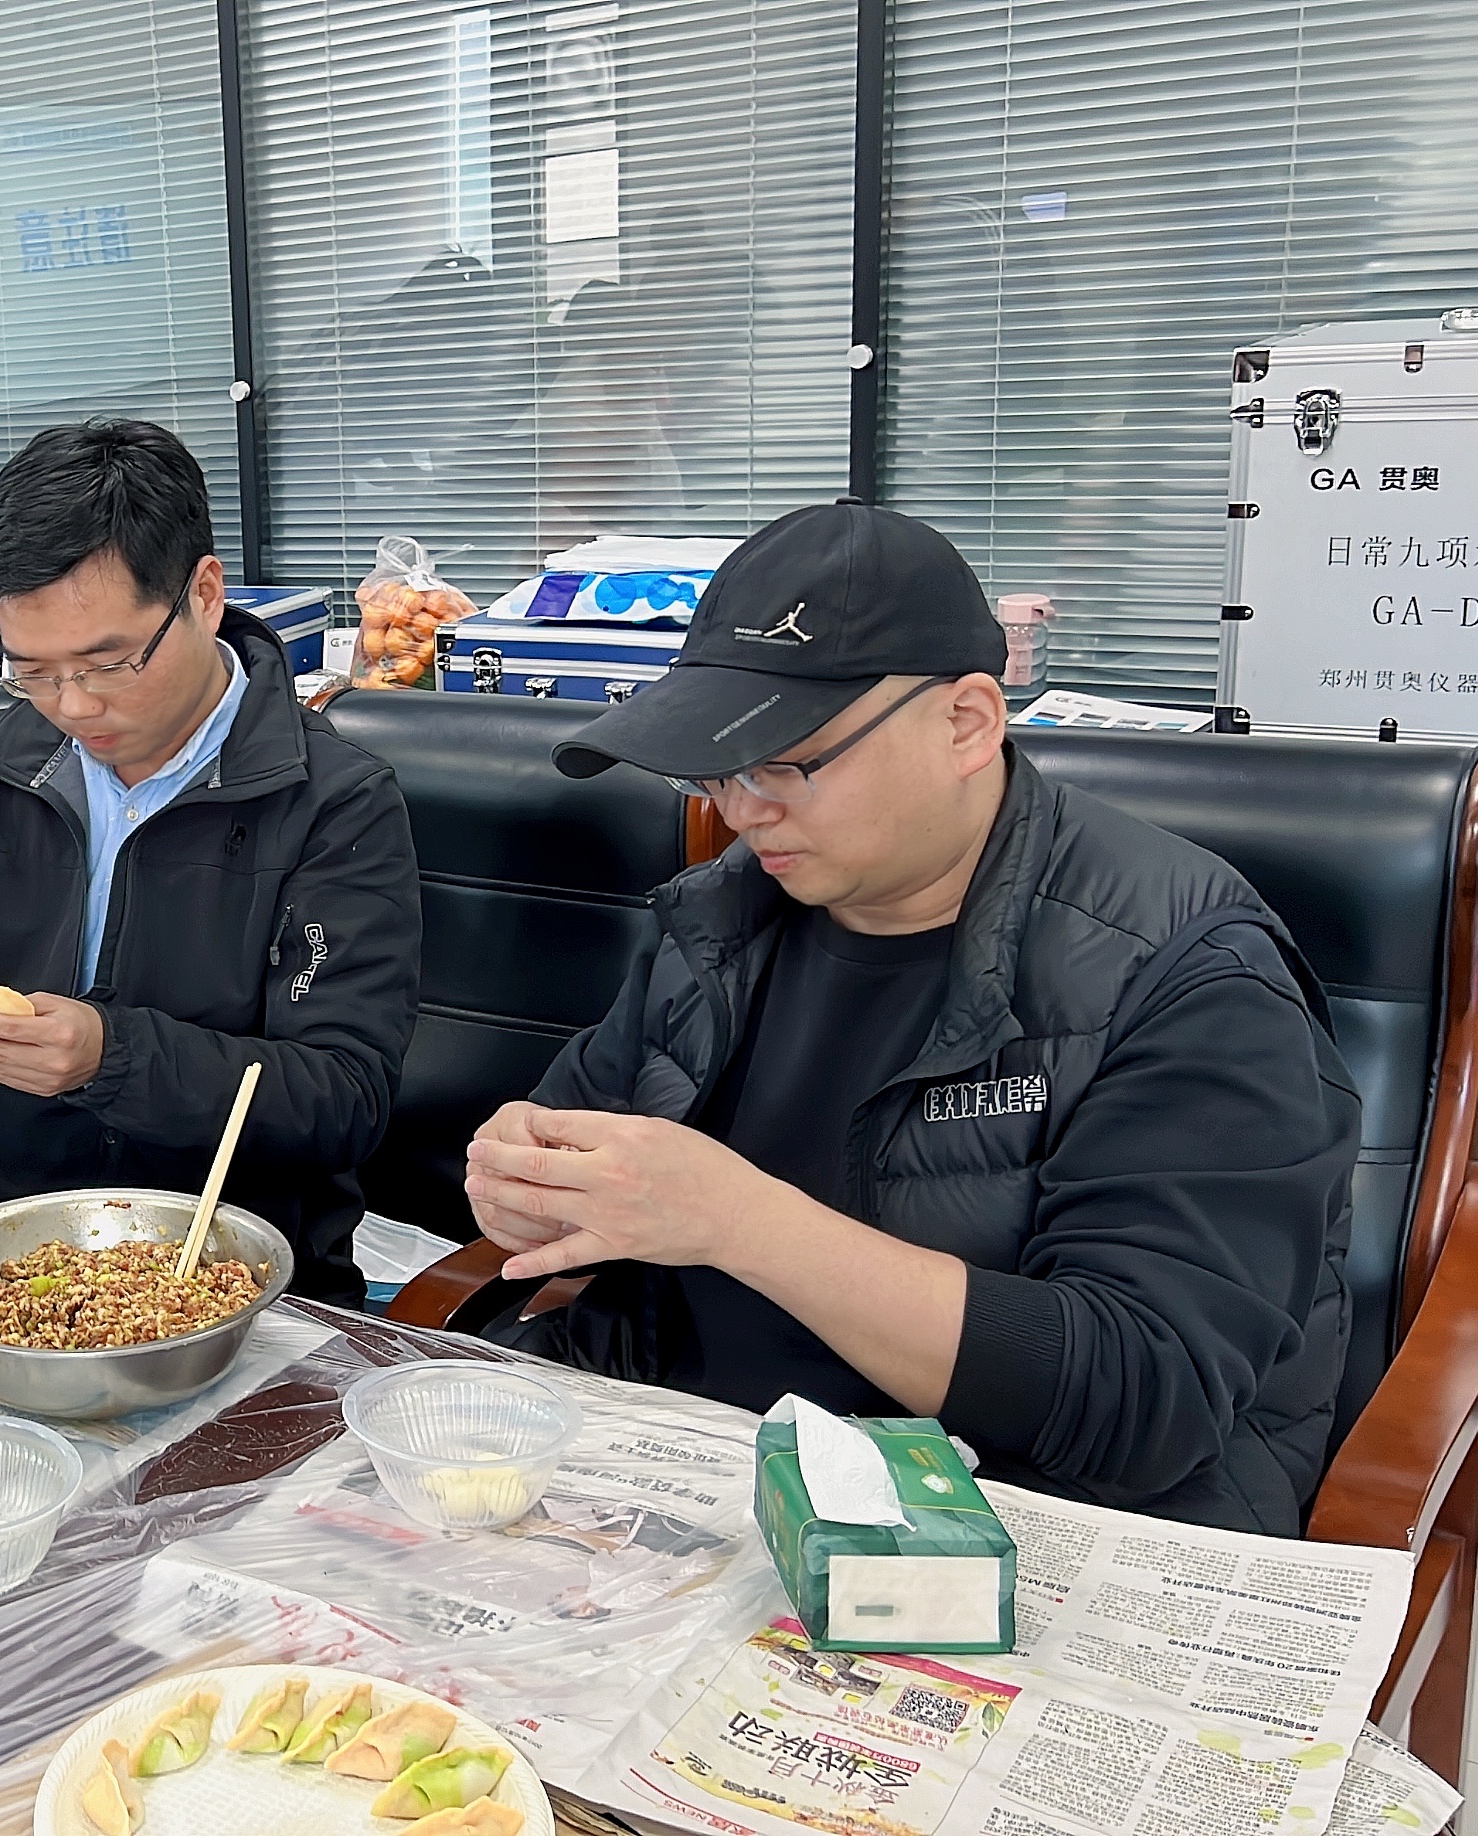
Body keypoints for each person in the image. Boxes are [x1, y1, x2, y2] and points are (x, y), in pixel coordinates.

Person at [462, 499, 1357, 1534]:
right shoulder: (724, 915)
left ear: (967, 723)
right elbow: (587, 1152)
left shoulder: (1186, 970)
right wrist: (528, 1186)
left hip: (1003, 1510)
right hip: (699, 1456)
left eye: (786, 762)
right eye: (717, 769)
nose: (743, 810)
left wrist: (740, 1221)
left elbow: (1141, 1399)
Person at [0, 419, 424, 1306]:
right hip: (9, 1251)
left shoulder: (333, 800)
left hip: (234, 1270)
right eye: (32, 670)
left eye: (109, 664)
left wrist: (112, 1059)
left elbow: (343, 1097)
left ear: (204, 594)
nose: (72, 706)